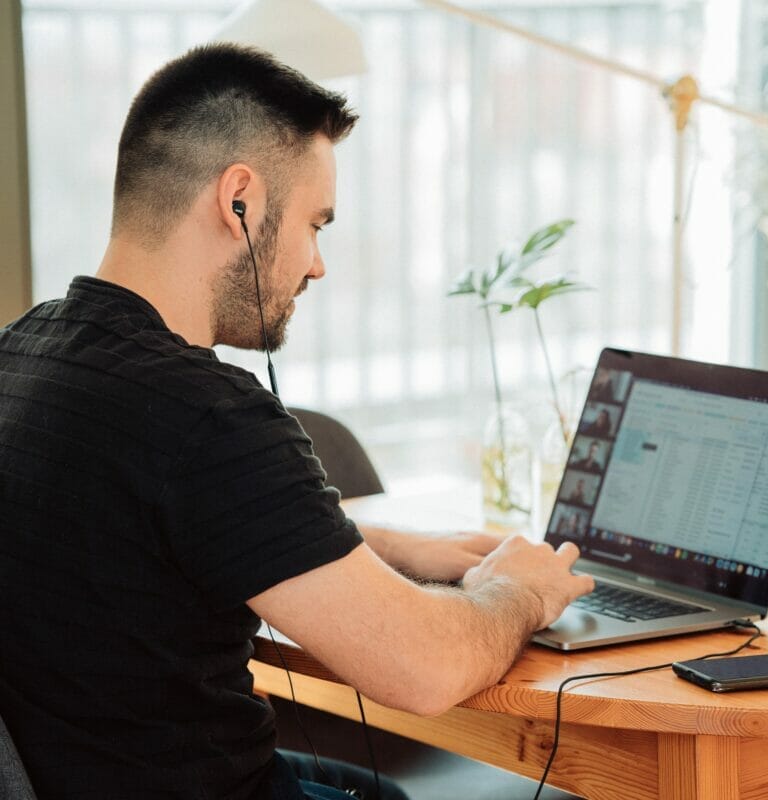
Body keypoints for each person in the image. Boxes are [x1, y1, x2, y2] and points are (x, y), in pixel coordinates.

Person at [0, 45, 593, 800]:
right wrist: (519, 590)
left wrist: (387, 547)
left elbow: (154, 528)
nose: (317, 265)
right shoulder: (206, 414)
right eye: (317, 223)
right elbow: (424, 670)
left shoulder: (23, 352)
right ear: (238, 199)